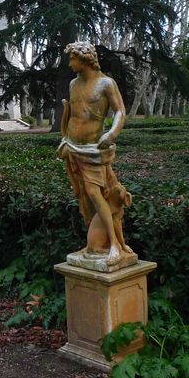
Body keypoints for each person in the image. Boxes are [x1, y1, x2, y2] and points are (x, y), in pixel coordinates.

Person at [57, 41, 135, 264]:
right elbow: (71, 115)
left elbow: (120, 111)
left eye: (72, 59)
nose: (70, 63)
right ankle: (98, 243)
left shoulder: (105, 83)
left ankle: (114, 246)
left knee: (95, 192)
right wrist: (65, 135)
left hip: (94, 150)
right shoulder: (73, 84)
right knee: (86, 195)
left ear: (84, 58)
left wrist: (111, 134)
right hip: (73, 147)